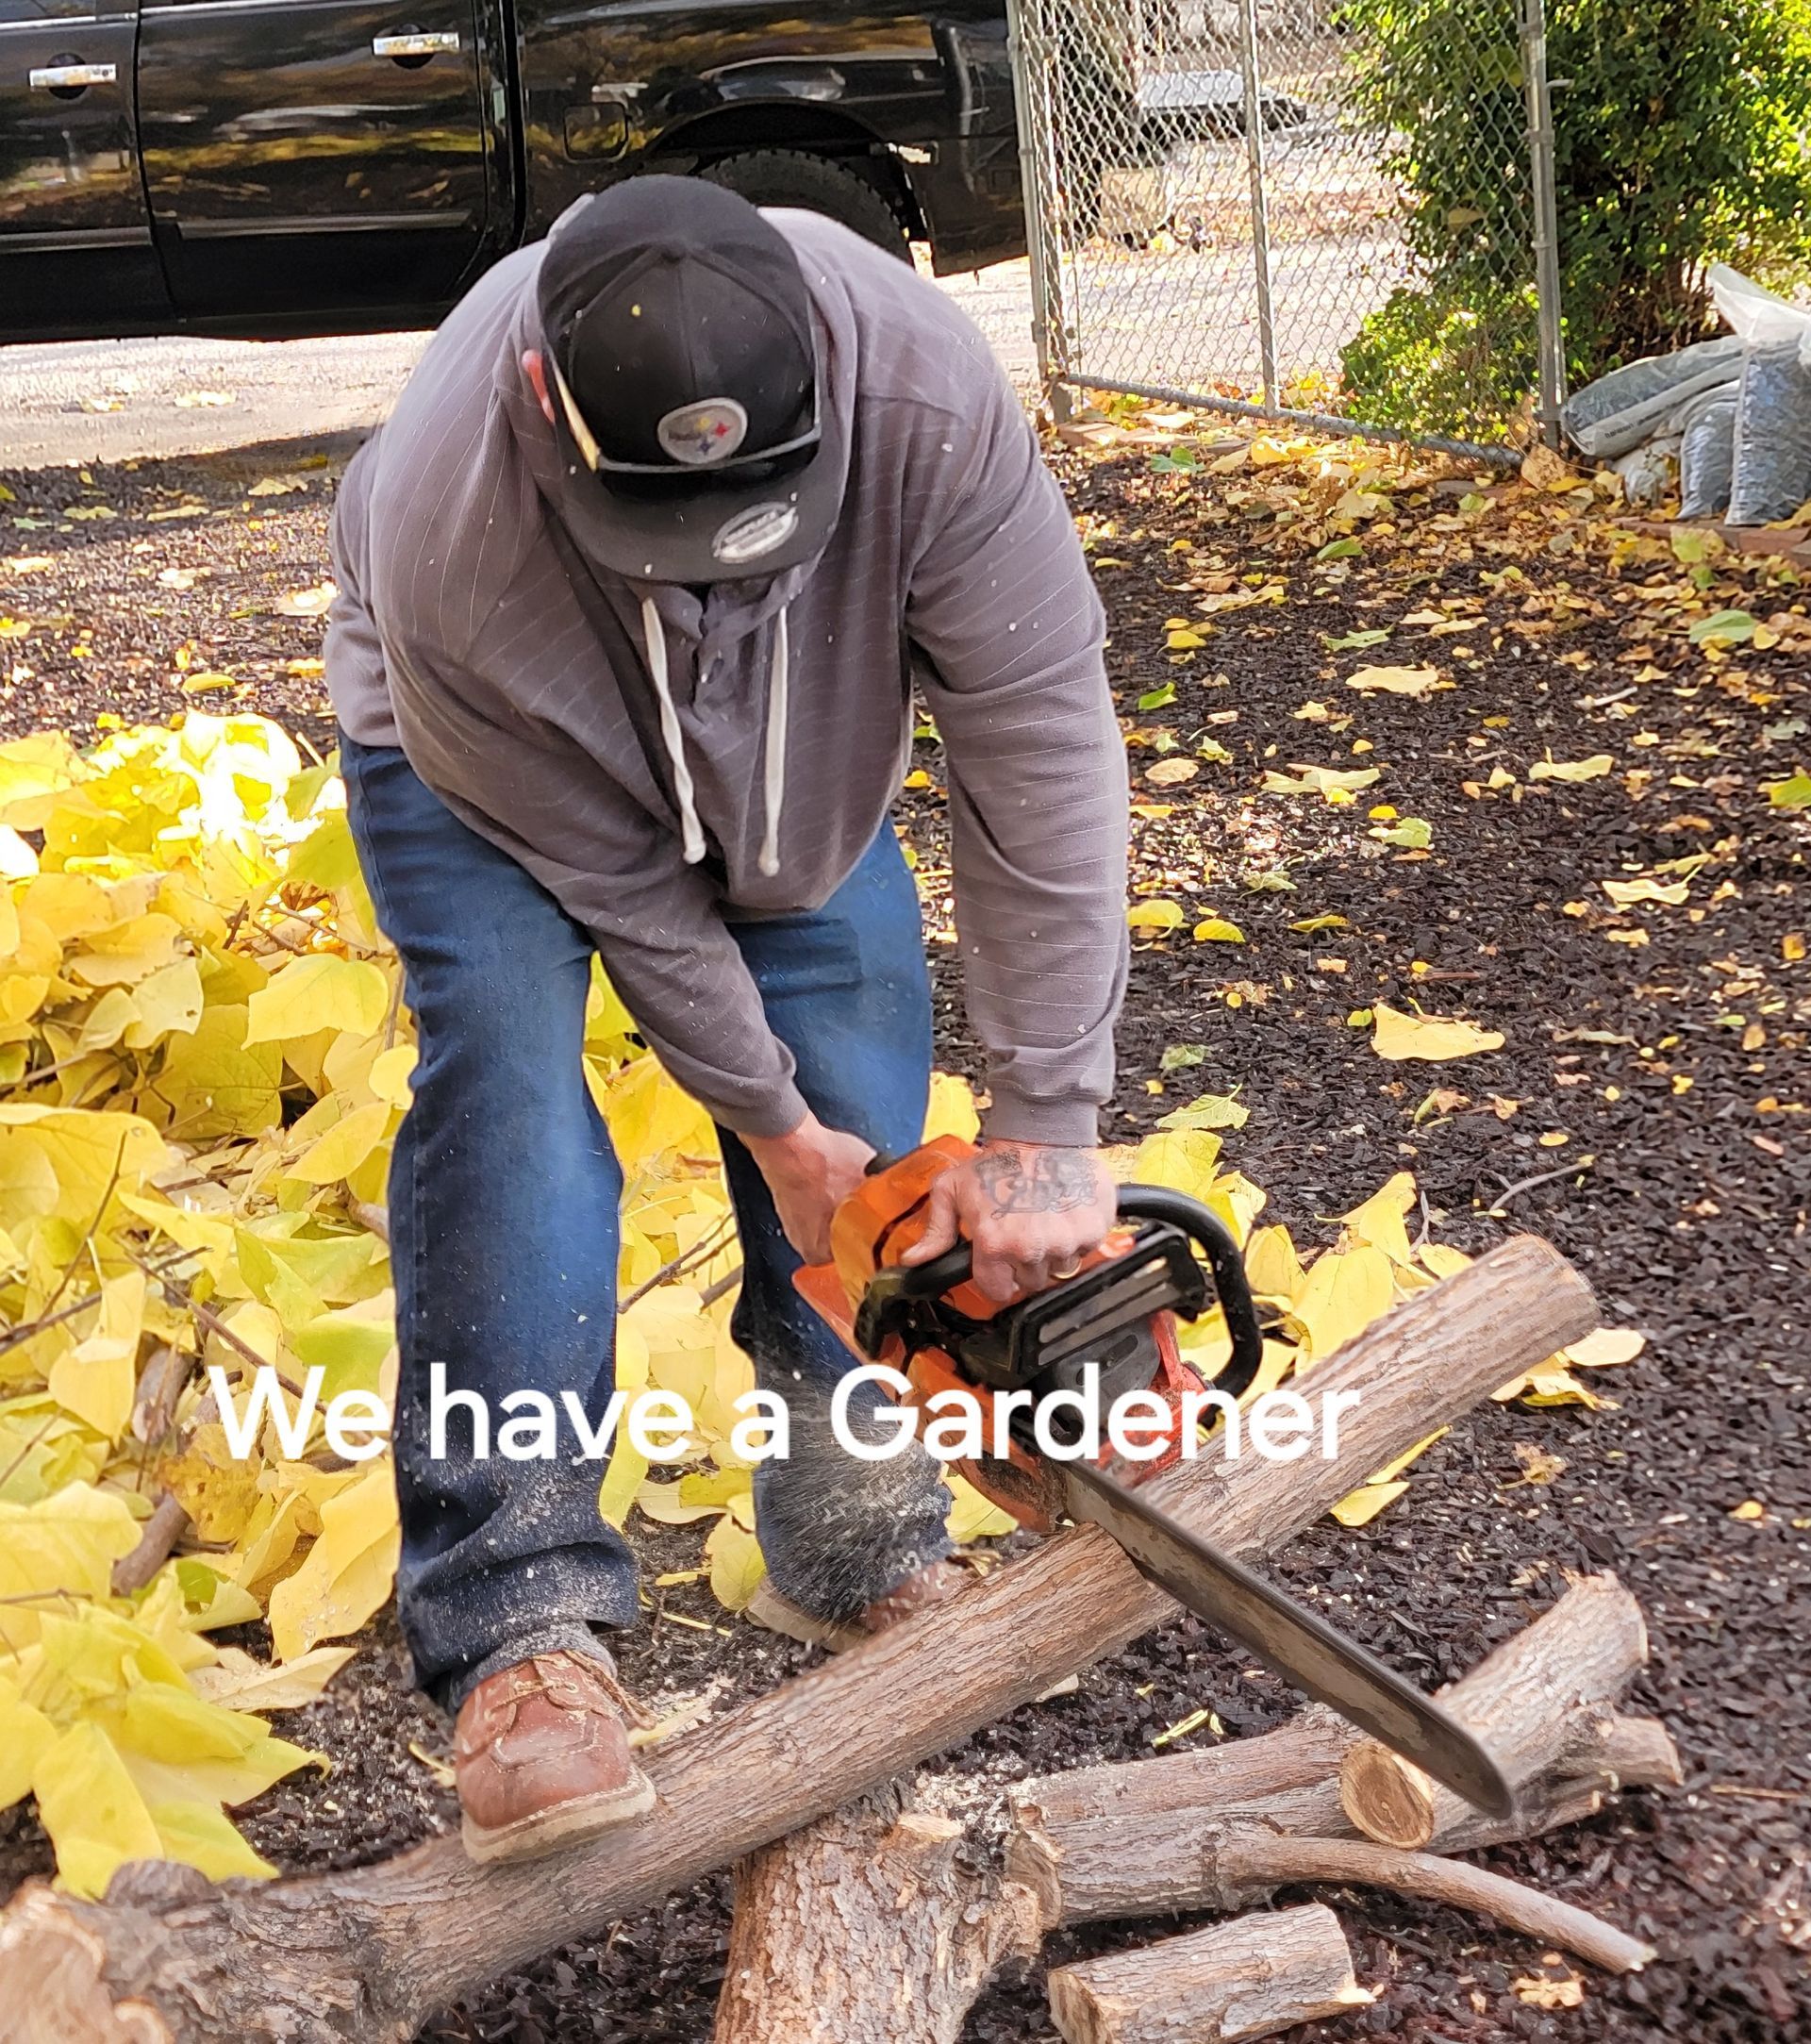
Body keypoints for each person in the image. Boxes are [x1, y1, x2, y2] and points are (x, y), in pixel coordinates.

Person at [324, 175, 1129, 1864]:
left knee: (855, 1058)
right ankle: (520, 1618)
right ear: (550, 403)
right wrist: (769, 1136)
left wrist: (1050, 1130)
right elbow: (628, 893)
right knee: (519, 1089)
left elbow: (1037, 742)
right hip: (490, 768)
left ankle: (850, 1533)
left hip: (789, 745)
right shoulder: (452, 516)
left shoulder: (922, 401)